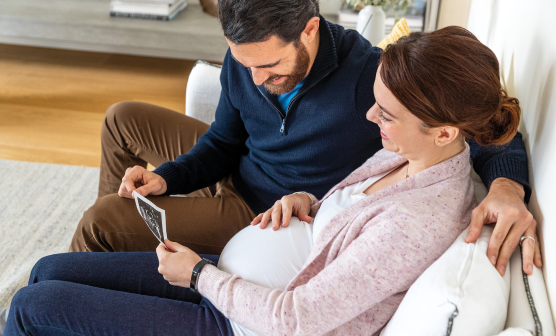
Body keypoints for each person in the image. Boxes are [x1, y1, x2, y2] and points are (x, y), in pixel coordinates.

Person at [5, 26, 536, 336]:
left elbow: (297, 318)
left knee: (32, 306)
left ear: (445, 132)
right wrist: (308, 199)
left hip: (245, 323)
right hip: (236, 284)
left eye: (386, 114)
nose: (371, 118)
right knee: (47, 269)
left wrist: (196, 276)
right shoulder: (408, 152)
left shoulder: (417, 221)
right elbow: (340, 205)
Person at [69, 0, 539, 278]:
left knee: (101, 221)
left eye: (269, 66)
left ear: (310, 29)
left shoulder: (369, 77)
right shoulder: (249, 58)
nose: (254, 78)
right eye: (244, 63)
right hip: (240, 167)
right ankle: (123, 254)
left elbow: (481, 121)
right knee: (121, 119)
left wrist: (506, 187)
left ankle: (86, 267)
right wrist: (166, 180)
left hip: (264, 210)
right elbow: (223, 142)